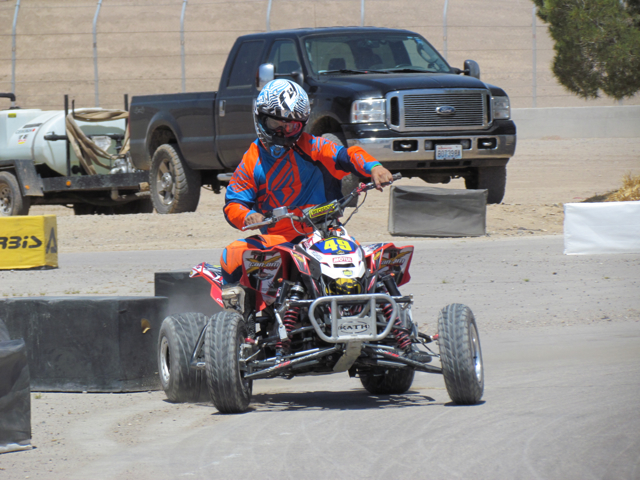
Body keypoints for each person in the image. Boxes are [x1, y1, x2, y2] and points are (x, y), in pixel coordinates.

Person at [221, 78, 393, 286]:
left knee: (378, 263)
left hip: (327, 235)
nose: (282, 133)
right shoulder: (251, 161)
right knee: (232, 254)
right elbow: (233, 204)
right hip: (281, 242)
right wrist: (247, 216)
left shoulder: (313, 147)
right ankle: (242, 317)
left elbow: (347, 156)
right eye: (276, 124)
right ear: (261, 119)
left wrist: (374, 167)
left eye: (291, 126)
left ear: (301, 125)